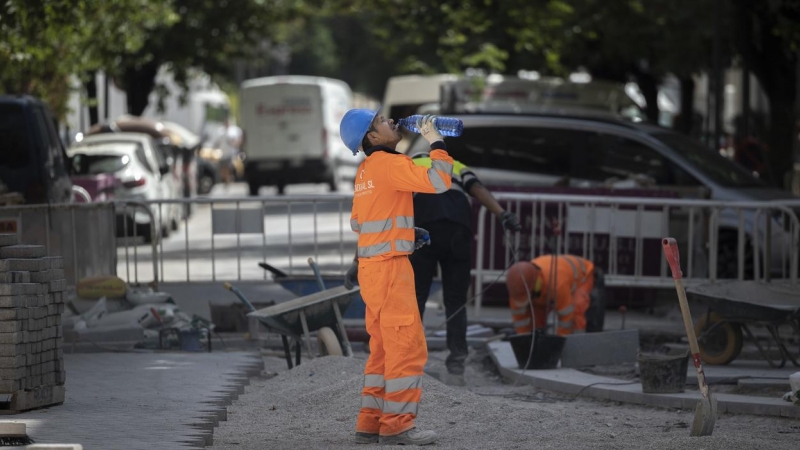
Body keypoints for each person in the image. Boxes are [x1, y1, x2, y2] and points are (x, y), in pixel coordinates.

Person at [340, 109, 453, 446]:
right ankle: (398, 425)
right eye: (380, 121)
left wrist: (402, 230)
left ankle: (370, 422)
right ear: (372, 138)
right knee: (406, 347)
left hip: (371, 270)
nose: (390, 121)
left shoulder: (364, 172)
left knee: (383, 352)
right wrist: (436, 141)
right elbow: (440, 180)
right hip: (391, 269)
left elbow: (360, 223)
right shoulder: (393, 163)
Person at [408, 153, 521, 385]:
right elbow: (477, 189)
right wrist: (502, 214)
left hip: (424, 227)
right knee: (456, 300)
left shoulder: (409, 163)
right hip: (458, 229)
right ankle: (457, 367)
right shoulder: (455, 164)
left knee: (415, 298)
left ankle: (411, 364)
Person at [505, 254, 605, 336]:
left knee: (577, 309)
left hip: (584, 276)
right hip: (552, 282)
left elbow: (566, 318)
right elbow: (520, 320)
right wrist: (524, 343)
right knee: (536, 312)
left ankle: (580, 344)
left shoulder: (556, 283)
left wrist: (560, 345)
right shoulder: (518, 288)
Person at [212, 118, 243, 185]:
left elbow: (236, 141)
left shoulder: (232, 131)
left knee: (228, 167)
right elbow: (217, 142)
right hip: (223, 154)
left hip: (229, 154)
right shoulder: (221, 132)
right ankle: (225, 179)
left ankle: (227, 178)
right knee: (223, 168)